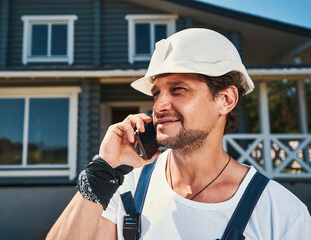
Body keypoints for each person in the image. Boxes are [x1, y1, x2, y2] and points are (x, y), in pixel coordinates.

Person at [47, 28, 311, 240]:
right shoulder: (125, 187)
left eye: (178, 90)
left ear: (226, 99)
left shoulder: (281, 213)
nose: (159, 105)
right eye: (156, 93)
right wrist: (102, 171)